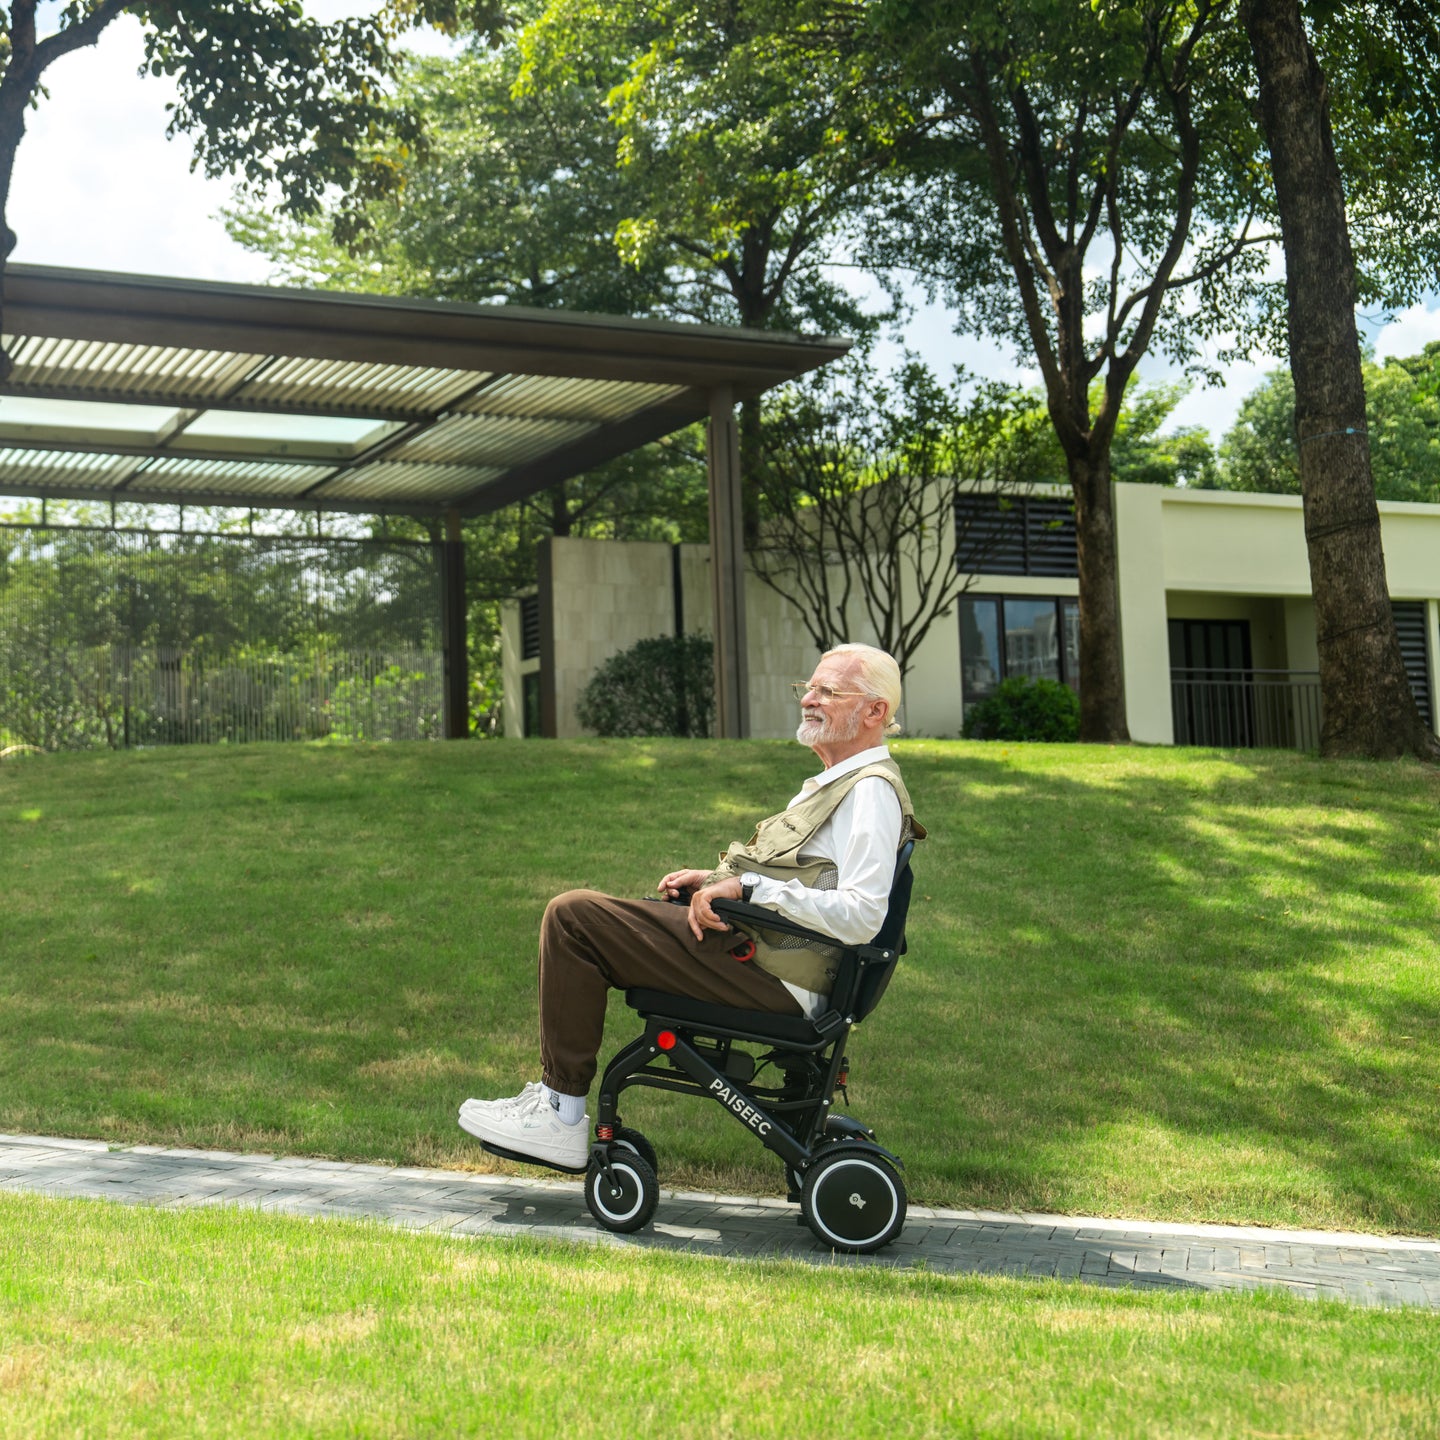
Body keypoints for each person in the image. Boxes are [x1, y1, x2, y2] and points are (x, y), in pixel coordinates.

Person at [458, 642, 924, 1170]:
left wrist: (747, 889)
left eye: (828, 691)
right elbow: (806, 875)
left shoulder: (869, 793)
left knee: (573, 918)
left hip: (778, 978)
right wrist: (715, 880)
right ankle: (555, 1104)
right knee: (584, 917)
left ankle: (559, 1115)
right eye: (808, 687)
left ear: (875, 711)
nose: (808, 700)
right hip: (764, 958)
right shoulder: (841, 785)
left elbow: (863, 914)